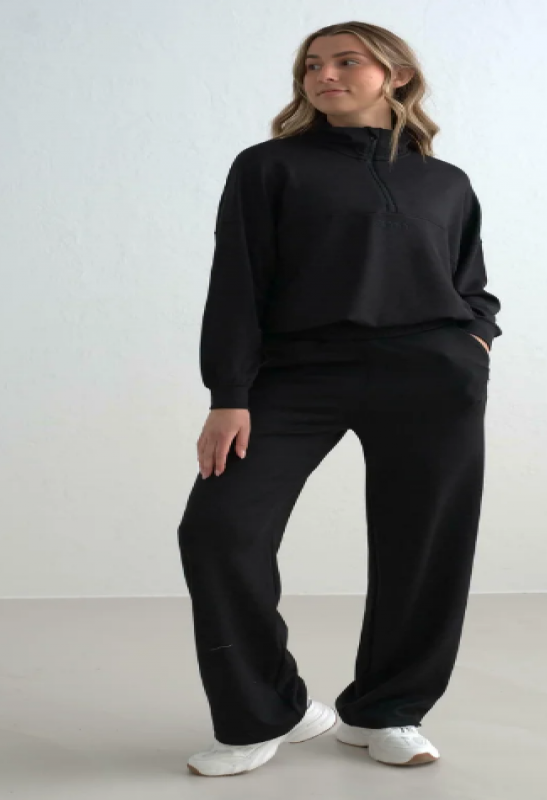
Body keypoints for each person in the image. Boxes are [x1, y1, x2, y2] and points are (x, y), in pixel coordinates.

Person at [177, 20, 502, 777]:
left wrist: (475, 344)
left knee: (424, 545)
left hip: (429, 378)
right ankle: (269, 710)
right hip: (297, 374)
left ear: (395, 74)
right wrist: (229, 393)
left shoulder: (445, 182)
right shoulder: (268, 167)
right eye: (312, 65)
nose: (324, 75)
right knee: (220, 529)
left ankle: (387, 709)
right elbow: (237, 282)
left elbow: (471, 283)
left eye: (346, 61)